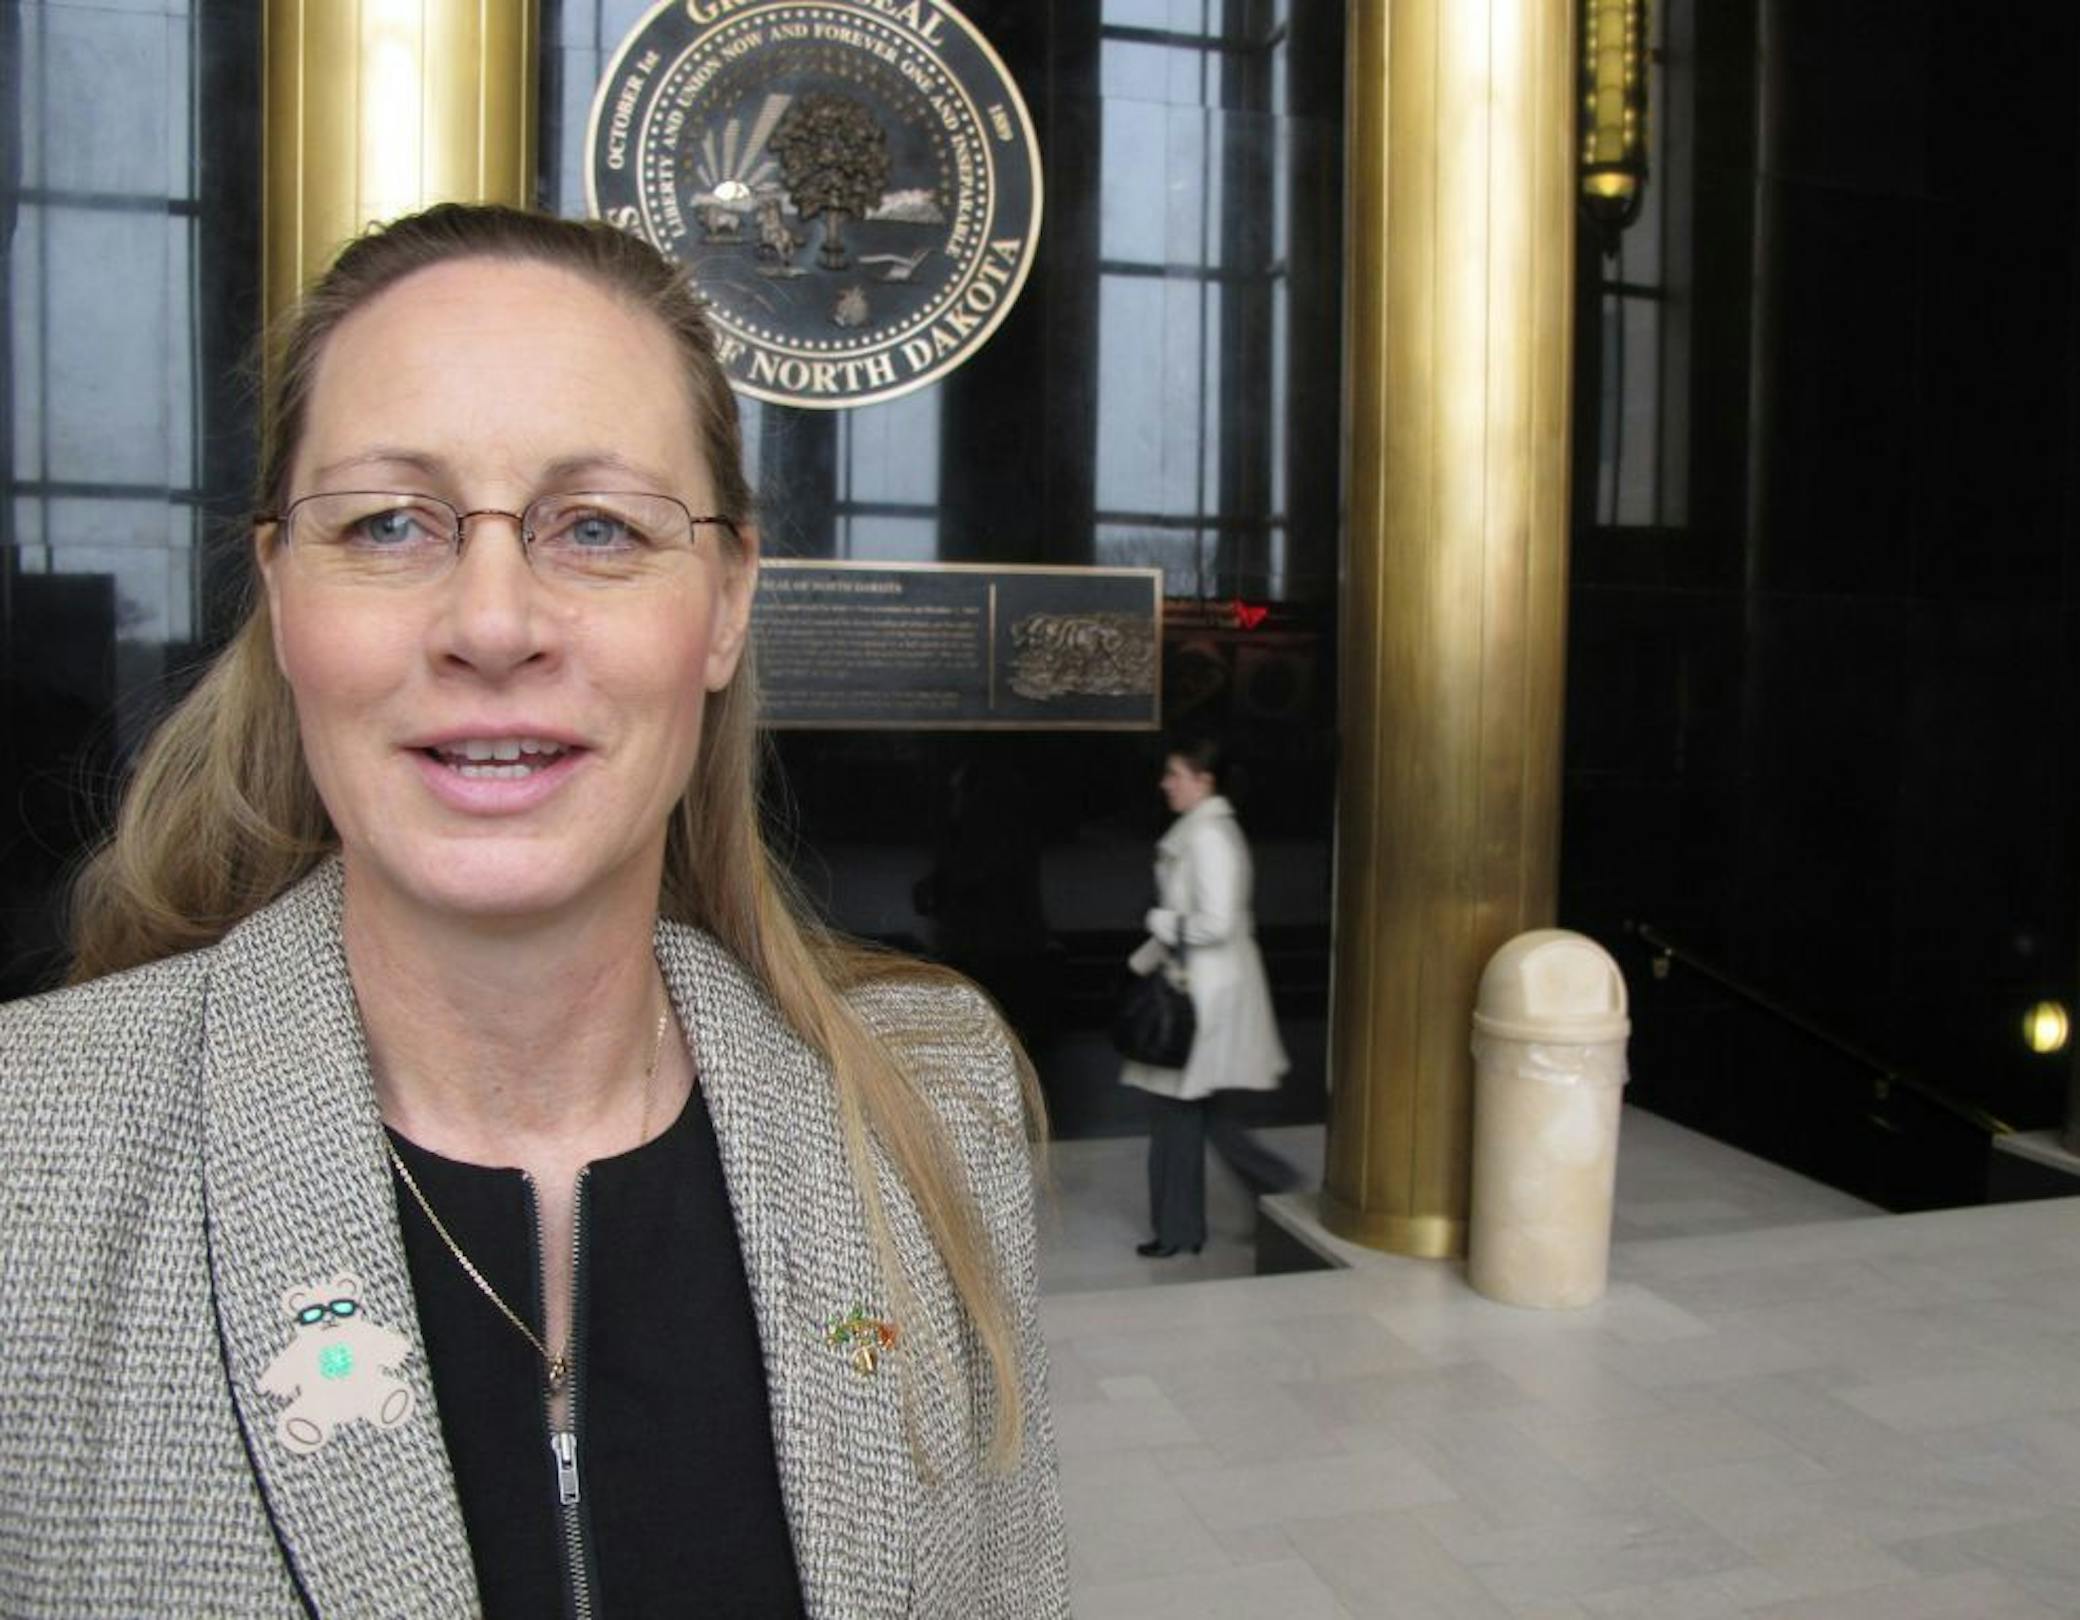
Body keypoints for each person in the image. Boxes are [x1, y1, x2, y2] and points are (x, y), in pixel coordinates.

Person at [0, 204, 1069, 1619]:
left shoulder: (933, 1107)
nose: (494, 623)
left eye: (597, 527)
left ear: (728, 602)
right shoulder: (28, 1163)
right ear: (277, 588)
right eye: (386, 523)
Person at [1119, 738, 1297, 1256]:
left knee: (1181, 1112)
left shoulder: (1208, 839)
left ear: (1204, 781)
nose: (1165, 783)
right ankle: (1272, 1199)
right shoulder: (1204, 833)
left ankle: (1183, 1231)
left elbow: (1215, 923)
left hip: (1203, 995)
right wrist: (1142, 960)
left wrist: (1160, 923)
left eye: (1175, 774)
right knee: (1204, 1114)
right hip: (1203, 987)